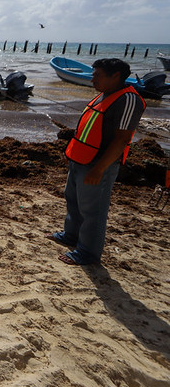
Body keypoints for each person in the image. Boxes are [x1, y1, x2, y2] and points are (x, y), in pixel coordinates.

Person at [46, 58, 145, 265]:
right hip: (80, 159)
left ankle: (88, 253)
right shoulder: (105, 94)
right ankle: (71, 235)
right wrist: (71, 155)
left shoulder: (128, 100)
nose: (92, 79)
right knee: (73, 199)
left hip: (98, 164)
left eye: (97, 75)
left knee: (93, 210)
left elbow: (122, 139)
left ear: (116, 76)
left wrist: (100, 169)